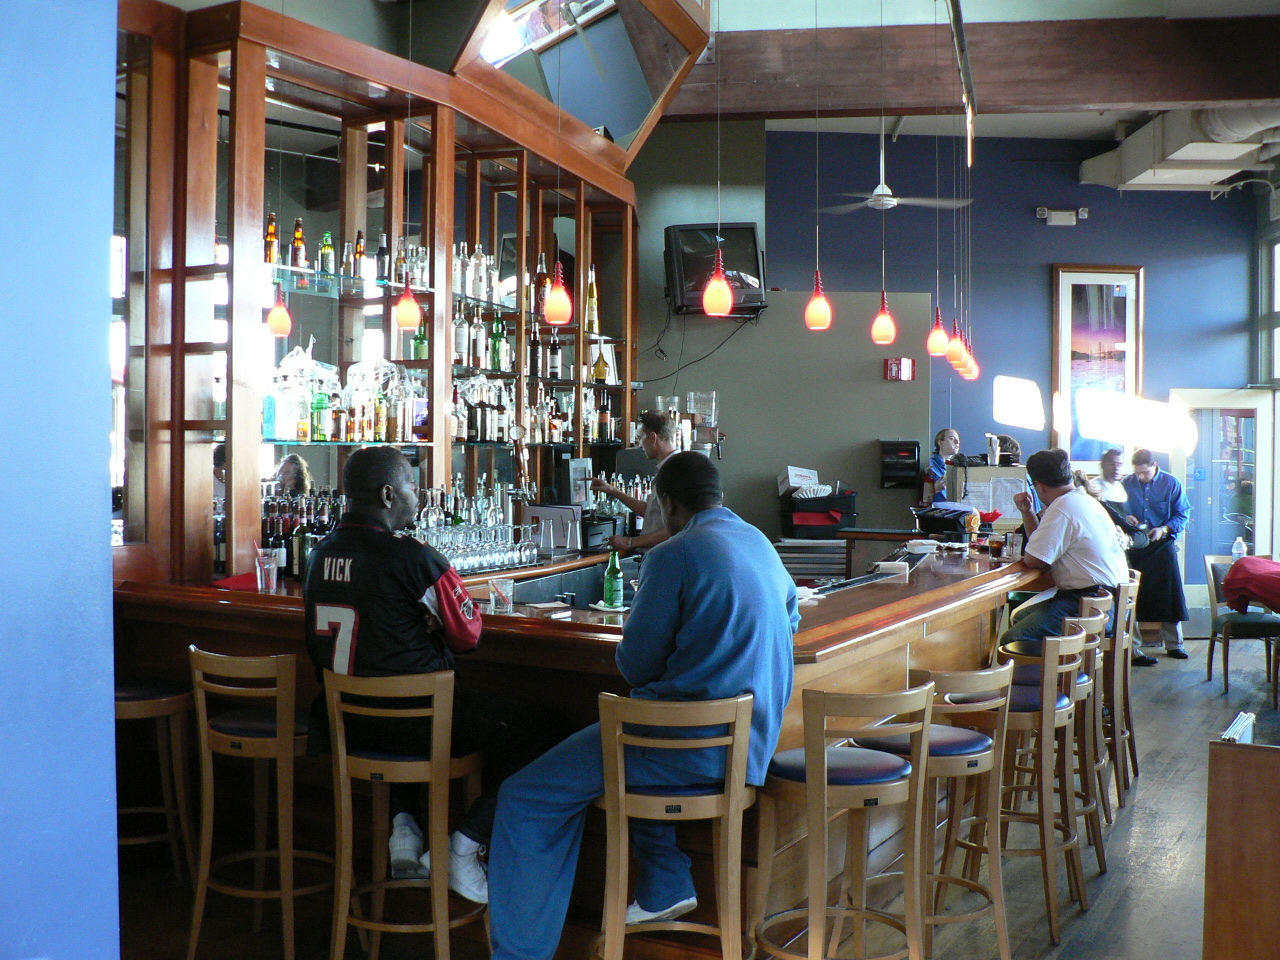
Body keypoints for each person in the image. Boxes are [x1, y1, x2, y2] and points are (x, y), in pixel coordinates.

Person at [487, 452, 799, 960]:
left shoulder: (674, 553)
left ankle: (519, 955)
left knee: (526, 797)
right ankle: (665, 879)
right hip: (748, 747)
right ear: (719, 496)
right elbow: (791, 620)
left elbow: (635, 664)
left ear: (668, 504)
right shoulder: (759, 542)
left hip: (681, 747)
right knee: (633, 746)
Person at [303, 446, 563, 903]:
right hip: (420, 727)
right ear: (388, 495)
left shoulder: (317, 555)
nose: (418, 495)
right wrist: (433, 626)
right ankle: (463, 845)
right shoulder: (414, 558)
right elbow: (469, 635)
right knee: (549, 732)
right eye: (412, 485)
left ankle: (404, 828)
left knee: (395, 698)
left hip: (345, 727)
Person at [1000, 448, 1129, 648]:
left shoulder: (1061, 507)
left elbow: (1034, 560)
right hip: (1107, 602)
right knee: (1021, 617)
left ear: (1040, 486)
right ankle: (1062, 667)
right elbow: (1042, 549)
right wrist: (1028, 512)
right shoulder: (1083, 500)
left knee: (1013, 640)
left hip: (1088, 602)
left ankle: (1060, 669)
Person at [1122, 448, 1191, 659]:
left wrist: (1164, 528)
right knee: (1132, 596)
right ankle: (1133, 649)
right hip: (1135, 545)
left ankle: (1174, 644)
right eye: (1137, 473)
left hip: (1162, 543)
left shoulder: (1171, 483)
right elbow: (1117, 511)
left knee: (1170, 595)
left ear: (1155, 466)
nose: (1140, 477)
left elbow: (1183, 514)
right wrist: (1126, 517)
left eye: (1144, 472)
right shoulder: (1126, 483)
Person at [590, 411, 679, 555]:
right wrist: (612, 490)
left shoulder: (675, 471)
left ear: (653, 437)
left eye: (640, 438)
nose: (640, 445)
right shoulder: (667, 468)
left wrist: (631, 542)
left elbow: (676, 528)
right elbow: (650, 511)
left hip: (664, 556)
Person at [926, 427, 961, 502]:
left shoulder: (957, 467)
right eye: (951, 439)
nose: (957, 442)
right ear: (940, 443)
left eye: (958, 439)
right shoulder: (929, 465)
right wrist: (935, 489)